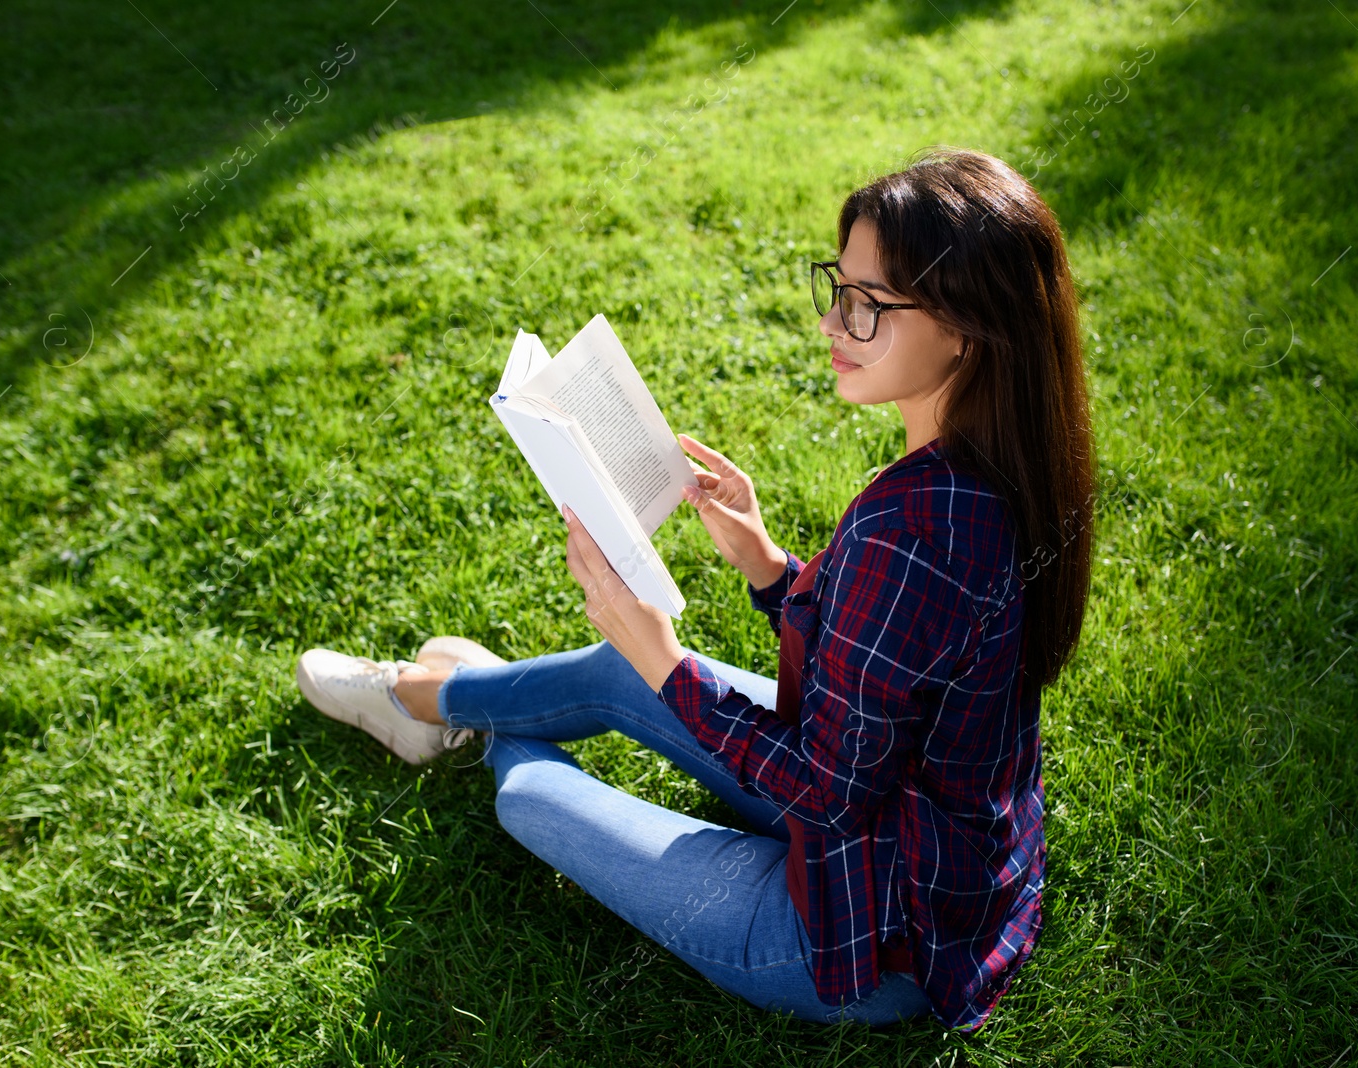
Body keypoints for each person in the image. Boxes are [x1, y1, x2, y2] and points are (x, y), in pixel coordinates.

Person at [295, 147, 1095, 1030]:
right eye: (839, 287)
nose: (833, 322)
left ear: (966, 327)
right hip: (925, 839)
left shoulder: (919, 532)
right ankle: (427, 697)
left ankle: (471, 725)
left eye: (868, 305)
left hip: (869, 934)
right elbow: (888, 675)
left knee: (529, 795)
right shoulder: (995, 465)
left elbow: (826, 790)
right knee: (612, 668)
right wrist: (765, 565)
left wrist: (668, 661)